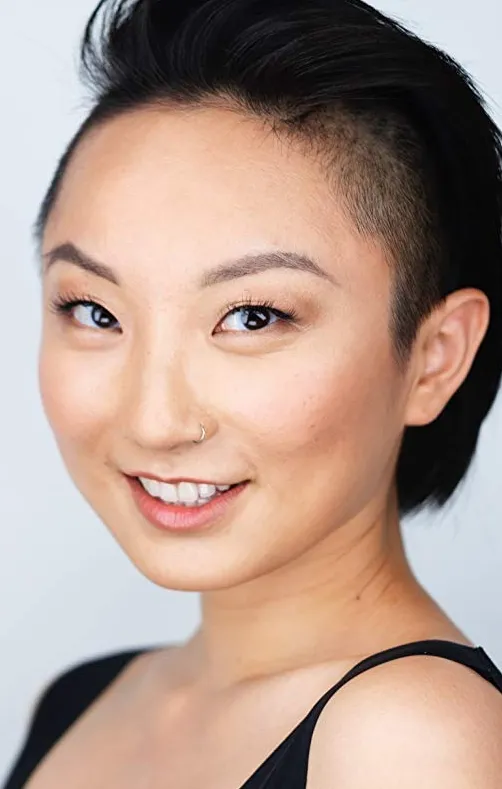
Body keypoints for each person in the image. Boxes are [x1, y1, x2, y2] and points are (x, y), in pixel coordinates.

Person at [4, 0, 502, 786]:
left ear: (434, 358)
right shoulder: (80, 700)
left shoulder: (410, 739)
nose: (154, 420)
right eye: (95, 311)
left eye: (253, 316)